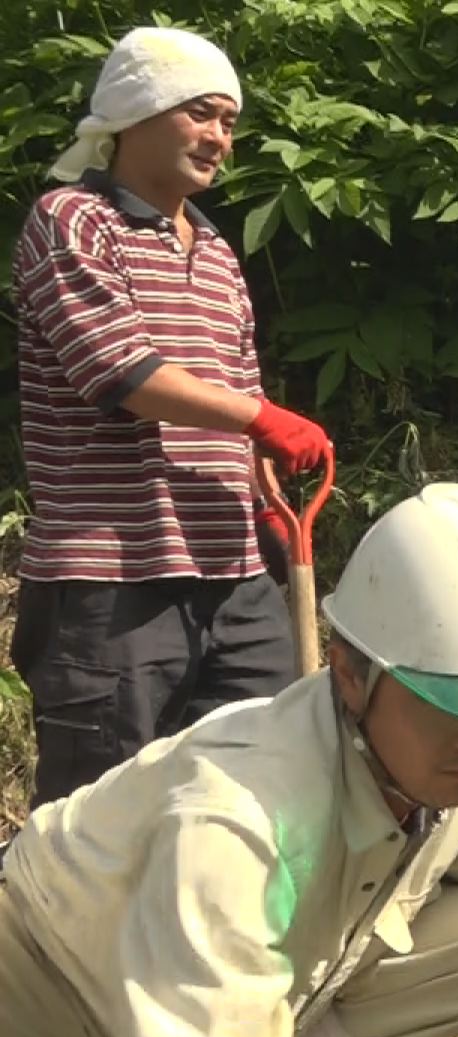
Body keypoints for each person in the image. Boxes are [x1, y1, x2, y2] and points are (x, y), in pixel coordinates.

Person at [0, 482, 458, 1037]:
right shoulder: (243, 817)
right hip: (50, 953)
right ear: (351, 674)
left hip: (231, 980)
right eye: (453, 706)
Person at [8, 26, 332, 808]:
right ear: (137, 111)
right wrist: (265, 419)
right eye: (201, 113)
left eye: (229, 119)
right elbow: (122, 372)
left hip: (236, 577)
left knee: (256, 791)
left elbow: (238, 392)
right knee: (102, 818)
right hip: (112, 581)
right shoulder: (71, 221)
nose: (220, 136)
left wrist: (269, 495)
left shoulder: (217, 252)